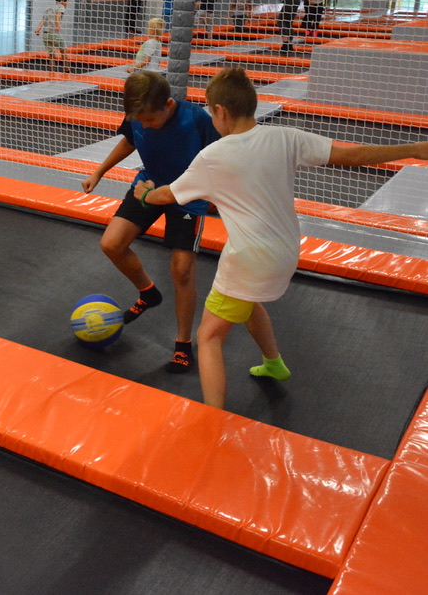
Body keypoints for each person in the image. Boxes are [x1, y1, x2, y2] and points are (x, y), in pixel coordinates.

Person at [135, 67, 428, 409]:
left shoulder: (213, 157)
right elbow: (354, 155)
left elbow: (167, 195)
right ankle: (273, 363)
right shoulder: (286, 138)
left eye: (211, 113)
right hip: (287, 252)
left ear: (221, 111)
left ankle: (213, 421)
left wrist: (145, 194)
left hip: (249, 259)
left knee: (209, 336)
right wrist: (415, 148)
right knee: (247, 302)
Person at [82, 70, 220, 372]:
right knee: (111, 244)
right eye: (140, 120)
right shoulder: (137, 114)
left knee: (182, 270)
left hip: (187, 197)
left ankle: (183, 343)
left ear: (168, 105)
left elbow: (222, 156)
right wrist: (99, 171)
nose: (144, 125)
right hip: (149, 186)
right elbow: (129, 141)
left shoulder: (195, 119)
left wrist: (215, 194)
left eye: (150, 120)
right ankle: (148, 292)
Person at [33, 0, 70, 74]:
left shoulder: (49, 8)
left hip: (45, 35)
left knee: (52, 55)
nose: (67, 4)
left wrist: (37, 30)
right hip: (54, 34)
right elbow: (58, 16)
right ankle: (67, 69)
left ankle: (53, 73)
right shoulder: (61, 6)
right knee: (64, 51)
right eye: (67, 1)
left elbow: (43, 21)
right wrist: (58, 25)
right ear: (63, 0)